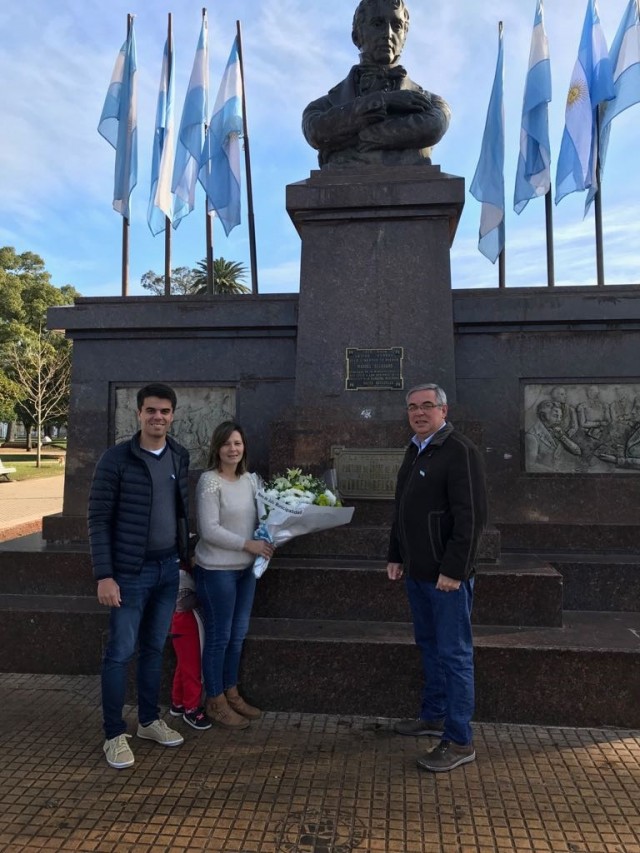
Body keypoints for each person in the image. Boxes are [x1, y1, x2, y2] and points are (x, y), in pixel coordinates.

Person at [88, 383, 190, 769]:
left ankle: (148, 720)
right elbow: (98, 520)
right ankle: (114, 733)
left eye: (164, 411)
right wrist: (105, 576)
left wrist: (182, 558)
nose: (158, 417)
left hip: (167, 569)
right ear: (139, 414)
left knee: (153, 649)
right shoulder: (115, 460)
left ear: (173, 415)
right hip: (129, 574)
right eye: (151, 410)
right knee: (119, 653)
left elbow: (181, 512)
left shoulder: (179, 455)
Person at [387, 383, 487, 773]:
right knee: (429, 645)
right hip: (416, 573)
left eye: (427, 406)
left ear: (443, 410)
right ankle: (434, 716)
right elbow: (402, 509)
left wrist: (454, 570)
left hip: (447, 579)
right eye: (413, 407)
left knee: (455, 654)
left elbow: (471, 518)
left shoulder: (460, 451)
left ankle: (459, 739)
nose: (419, 412)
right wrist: (396, 554)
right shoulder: (415, 448)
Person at [302, 0, 450, 168]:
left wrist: (357, 138)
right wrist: (385, 101)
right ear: (356, 35)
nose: (388, 33)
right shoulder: (321, 108)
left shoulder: (434, 105)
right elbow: (317, 132)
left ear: (405, 36)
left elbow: (432, 128)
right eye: (378, 23)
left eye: (397, 26)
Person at [194, 421, 274, 729]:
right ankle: (214, 700)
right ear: (217, 448)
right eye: (227, 443)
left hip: (245, 572)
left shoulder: (252, 481)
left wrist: (271, 538)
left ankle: (231, 691)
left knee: (237, 636)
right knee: (219, 637)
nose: (233, 449)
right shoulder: (209, 482)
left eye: (237, 443)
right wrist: (248, 544)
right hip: (216, 572)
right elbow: (209, 529)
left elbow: (268, 515)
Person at [168, 565, 211, 731]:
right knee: (193, 668)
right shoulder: (184, 572)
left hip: (180, 623)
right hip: (187, 624)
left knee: (184, 665)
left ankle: (178, 702)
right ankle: (191, 709)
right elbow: (184, 601)